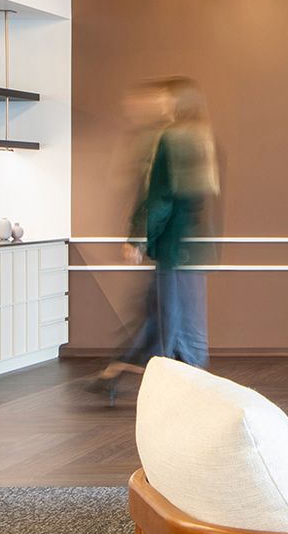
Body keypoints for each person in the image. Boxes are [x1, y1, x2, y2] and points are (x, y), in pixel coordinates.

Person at [92, 77, 219, 401]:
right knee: (183, 323)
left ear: (178, 102)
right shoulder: (201, 138)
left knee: (172, 326)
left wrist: (138, 238)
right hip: (194, 246)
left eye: (166, 99)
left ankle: (182, 396)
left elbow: (162, 196)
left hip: (174, 247)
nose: (161, 105)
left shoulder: (172, 138)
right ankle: (182, 389)